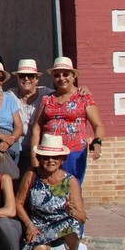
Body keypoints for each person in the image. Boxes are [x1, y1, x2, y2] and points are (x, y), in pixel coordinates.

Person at [16, 134, 88, 250]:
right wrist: (29, 224)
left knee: (73, 223)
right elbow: (18, 203)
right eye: (46, 157)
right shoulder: (32, 175)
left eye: (55, 157)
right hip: (39, 225)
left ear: (62, 160)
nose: (50, 160)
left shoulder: (70, 181)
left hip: (62, 223)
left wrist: (71, 211)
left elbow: (83, 217)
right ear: (40, 159)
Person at [30, 57, 104, 185]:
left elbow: (98, 125)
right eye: (57, 75)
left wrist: (97, 143)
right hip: (49, 153)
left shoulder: (83, 97)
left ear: (74, 76)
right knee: (50, 187)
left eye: (66, 74)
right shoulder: (47, 99)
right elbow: (37, 128)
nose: (61, 78)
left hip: (74, 151)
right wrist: (33, 155)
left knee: (71, 187)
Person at [6, 59, 53, 170]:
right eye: (22, 76)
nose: (26, 79)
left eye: (30, 76)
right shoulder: (10, 95)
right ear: (17, 78)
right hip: (17, 149)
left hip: (40, 150)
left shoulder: (47, 94)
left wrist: (83, 89)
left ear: (37, 79)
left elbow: (66, 94)